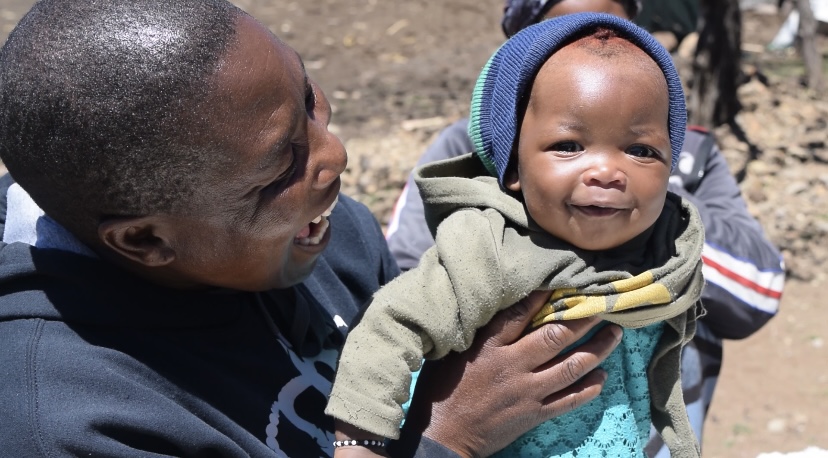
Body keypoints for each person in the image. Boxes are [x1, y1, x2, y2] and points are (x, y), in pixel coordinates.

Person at [0, 1, 627, 457]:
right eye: (281, 162)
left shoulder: (326, 236)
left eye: (307, 99)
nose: (334, 157)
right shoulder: (66, 423)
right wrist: (449, 436)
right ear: (146, 240)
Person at [385, 1, 786, 456]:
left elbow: (760, 294)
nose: (592, 40)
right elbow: (400, 289)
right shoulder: (466, 155)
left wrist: (655, 212)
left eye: (613, 29)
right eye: (563, 34)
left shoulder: (687, 153)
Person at [328, 13, 705, 458]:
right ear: (512, 168)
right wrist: (360, 446)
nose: (606, 172)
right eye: (569, 146)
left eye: (641, 150)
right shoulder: (489, 246)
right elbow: (388, 330)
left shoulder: (669, 251)